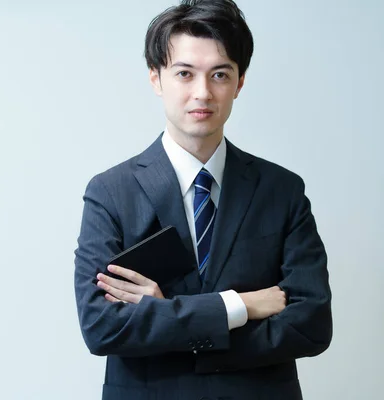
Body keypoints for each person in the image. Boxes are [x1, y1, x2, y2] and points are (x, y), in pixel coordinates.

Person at [73, 1, 333, 399]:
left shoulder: (283, 190)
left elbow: (311, 323)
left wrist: (170, 319)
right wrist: (239, 306)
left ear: (239, 83)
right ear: (156, 78)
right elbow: (102, 326)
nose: (203, 93)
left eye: (219, 74)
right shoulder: (111, 192)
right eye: (184, 74)